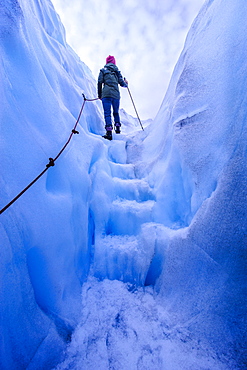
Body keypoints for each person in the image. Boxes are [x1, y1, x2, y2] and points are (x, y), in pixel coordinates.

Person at [98, 55, 128, 140]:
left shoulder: (103, 70)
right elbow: (122, 84)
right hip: (116, 95)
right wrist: (126, 83)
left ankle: (109, 133)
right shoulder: (117, 71)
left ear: (107, 62)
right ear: (114, 62)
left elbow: (99, 82)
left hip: (106, 94)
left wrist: (99, 94)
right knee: (116, 112)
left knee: (107, 113)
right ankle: (117, 129)